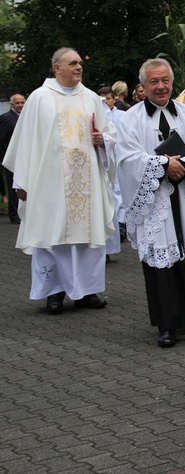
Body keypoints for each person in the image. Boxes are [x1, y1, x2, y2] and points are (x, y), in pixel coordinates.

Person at [2, 47, 116, 315]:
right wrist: (22, 182)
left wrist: (105, 141)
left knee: (87, 241)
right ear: (57, 68)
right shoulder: (40, 99)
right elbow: (26, 142)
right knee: (52, 237)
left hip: (87, 183)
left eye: (80, 63)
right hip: (50, 184)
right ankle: (54, 292)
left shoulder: (90, 98)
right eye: (72, 63)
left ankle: (87, 292)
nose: (78, 67)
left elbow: (110, 133)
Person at [116, 58, 185, 348]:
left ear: (172, 82)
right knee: (162, 259)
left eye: (165, 81)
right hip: (156, 202)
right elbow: (126, 159)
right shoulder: (130, 119)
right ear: (143, 85)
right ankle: (167, 324)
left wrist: (184, 163)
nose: (160, 87)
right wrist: (162, 165)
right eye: (153, 82)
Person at [98, 86, 126, 260]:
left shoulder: (122, 116)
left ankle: (122, 224)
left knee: (119, 195)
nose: (105, 102)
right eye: (102, 99)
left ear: (114, 99)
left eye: (108, 98)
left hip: (119, 157)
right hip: (105, 160)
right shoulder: (99, 114)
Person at [0, 93, 25, 224]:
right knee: (13, 187)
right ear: (11, 104)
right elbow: (2, 139)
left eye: (22, 102)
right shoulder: (6, 118)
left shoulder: (26, 117)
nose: (20, 105)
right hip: (12, 158)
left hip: (25, 157)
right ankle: (14, 215)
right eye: (17, 103)